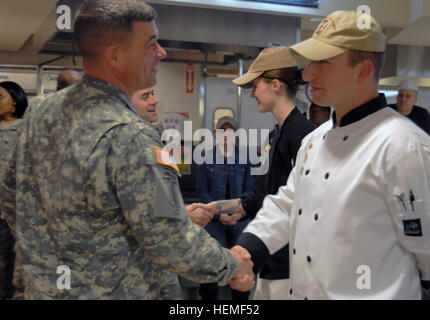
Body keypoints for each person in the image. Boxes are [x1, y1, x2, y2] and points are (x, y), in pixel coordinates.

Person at [0, 0, 254, 299]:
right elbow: (168, 240)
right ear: (115, 55)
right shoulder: (132, 134)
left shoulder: (42, 110)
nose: (161, 52)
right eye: (151, 43)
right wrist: (232, 265)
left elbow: (12, 197)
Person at [230, 10, 430, 299]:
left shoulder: (404, 146)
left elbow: (425, 249)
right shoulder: (314, 140)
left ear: (362, 70)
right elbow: (288, 204)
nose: (308, 74)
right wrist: (246, 248)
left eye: (322, 62)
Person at [195, 46, 316, 299]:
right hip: (269, 262)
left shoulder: (304, 136)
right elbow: (262, 196)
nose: (252, 95)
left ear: (275, 85)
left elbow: (299, 205)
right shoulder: (274, 136)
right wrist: (217, 208)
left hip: (290, 265)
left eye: (254, 86)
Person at [131, 87, 214, 227]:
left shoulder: (154, 140)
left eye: (153, 94)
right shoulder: (131, 142)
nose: (154, 100)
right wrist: (183, 214)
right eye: (146, 96)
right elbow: (137, 203)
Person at [196, 116, 254, 300]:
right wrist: (218, 215)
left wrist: (237, 215)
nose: (226, 135)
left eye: (230, 131)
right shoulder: (205, 157)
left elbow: (250, 191)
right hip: (214, 221)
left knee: (241, 267)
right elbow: (202, 190)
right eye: (222, 131)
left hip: (239, 221)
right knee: (210, 268)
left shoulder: (245, 158)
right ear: (215, 133)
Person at [0, 81, 28, 300]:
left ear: (15, 103)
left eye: (0, 97)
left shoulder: (28, 130)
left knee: (19, 264)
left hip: (20, 212)